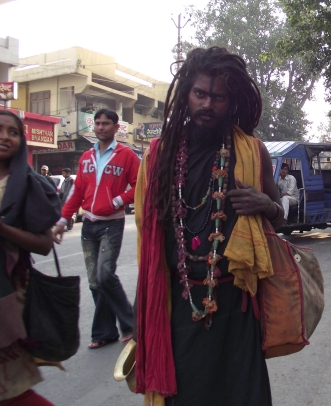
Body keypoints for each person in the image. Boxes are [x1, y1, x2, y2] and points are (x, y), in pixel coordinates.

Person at [134, 46, 286, 406]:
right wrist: (141, 311)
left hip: (235, 306)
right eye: (200, 94)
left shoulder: (251, 151)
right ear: (186, 94)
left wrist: (268, 206)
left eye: (218, 97)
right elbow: (147, 239)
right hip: (180, 306)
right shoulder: (159, 155)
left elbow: (282, 212)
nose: (207, 104)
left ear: (230, 101)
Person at [0, 110, 60, 406]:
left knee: (10, 390)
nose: (4, 136)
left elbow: (43, 244)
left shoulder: (28, 185)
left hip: (3, 297)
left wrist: (0, 228)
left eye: (13, 132)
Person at [52, 109, 138, 350]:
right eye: (97, 124)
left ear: (116, 127)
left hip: (112, 223)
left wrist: (118, 201)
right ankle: (104, 331)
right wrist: (61, 221)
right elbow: (77, 191)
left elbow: (138, 185)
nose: (101, 127)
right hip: (89, 225)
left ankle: (130, 325)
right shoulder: (86, 157)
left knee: (105, 274)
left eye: (106, 123)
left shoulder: (127, 155)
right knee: (95, 281)